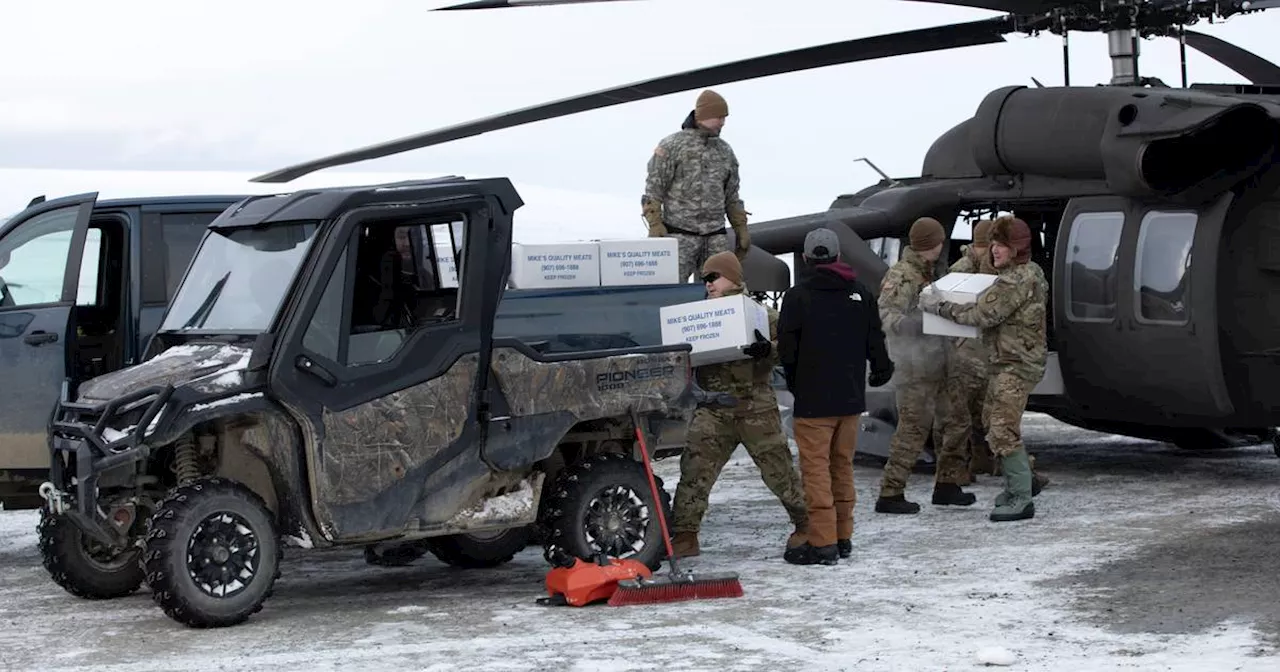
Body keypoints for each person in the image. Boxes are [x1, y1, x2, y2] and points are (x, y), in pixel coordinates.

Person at [670, 251, 809, 558]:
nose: (707, 284)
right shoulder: (698, 318)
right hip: (713, 409)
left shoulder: (762, 314)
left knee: (780, 472)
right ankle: (685, 535)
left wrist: (767, 350)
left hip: (755, 407)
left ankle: (807, 525)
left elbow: (793, 347)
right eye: (704, 278)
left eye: (713, 277)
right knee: (694, 471)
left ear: (733, 277)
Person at [918, 215, 1048, 522]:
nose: (995, 251)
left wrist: (936, 305)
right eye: (992, 245)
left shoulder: (1016, 280)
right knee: (993, 421)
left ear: (1016, 248)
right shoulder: (1027, 272)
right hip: (1007, 361)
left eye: (1002, 245)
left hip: (1015, 365)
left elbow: (981, 315)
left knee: (1001, 428)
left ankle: (1020, 496)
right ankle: (1021, 483)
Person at [777, 228, 894, 565]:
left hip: (814, 402)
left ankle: (822, 542)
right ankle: (843, 536)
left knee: (816, 472)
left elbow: (788, 350)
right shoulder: (860, 293)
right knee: (842, 467)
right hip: (850, 400)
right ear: (839, 257)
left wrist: (798, 384)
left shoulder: (798, 297)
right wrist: (880, 370)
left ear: (806, 259)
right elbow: (876, 342)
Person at [874, 217, 974, 514]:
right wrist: (913, 325)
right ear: (933, 243)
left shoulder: (932, 274)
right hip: (915, 369)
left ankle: (948, 484)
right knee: (913, 430)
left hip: (942, 364)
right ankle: (890, 493)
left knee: (956, 423)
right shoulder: (902, 276)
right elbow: (885, 315)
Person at [642, 89, 751, 283]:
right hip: (679, 237)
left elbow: (732, 195)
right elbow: (654, 189)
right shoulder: (672, 146)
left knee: (721, 291)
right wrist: (655, 223)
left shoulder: (725, 151)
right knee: (671, 292)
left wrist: (740, 226)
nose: (722, 122)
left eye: (724, 117)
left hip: (714, 237)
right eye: (719, 117)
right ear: (704, 115)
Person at [939, 219, 999, 483]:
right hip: (963, 355)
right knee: (958, 419)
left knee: (982, 414)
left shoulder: (988, 270)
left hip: (983, 354)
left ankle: (982, 459)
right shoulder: (960, 273)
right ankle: (955, 470)